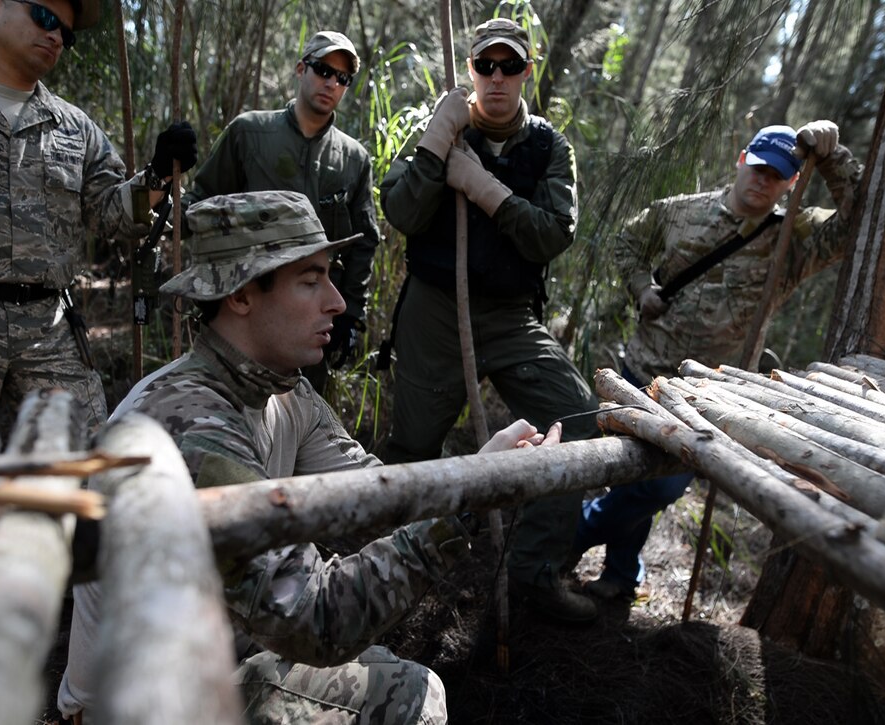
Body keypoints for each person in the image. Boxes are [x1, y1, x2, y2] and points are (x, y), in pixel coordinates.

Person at [59, 190, 562, 724]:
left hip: (221, 664)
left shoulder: (282, 392)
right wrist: (468, 502)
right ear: (241, 296)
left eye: (330, 275)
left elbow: (382, 491)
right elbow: (316, 620)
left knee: (404, 686)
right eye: (310, 280)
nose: (337, 301)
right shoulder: (185, 426)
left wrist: (484, 470)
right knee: (411, 701)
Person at [572, 122, 864, 610]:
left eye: (778, 175)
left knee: (659, 485)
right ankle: (621, 574)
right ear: (741, 157)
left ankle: (570, 534)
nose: (764, 180)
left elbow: (857, 220)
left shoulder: (794, 236)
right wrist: (641, 288)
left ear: (792, 182)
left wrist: (834, 157)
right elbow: (627, 242)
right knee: (636, 478)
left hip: (708, 399)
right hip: (642, 373)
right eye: (758, 167)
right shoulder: (679, 211)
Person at [0, 0, 197, 449]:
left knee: (84, 465)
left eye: (67, 33)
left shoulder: (75, 128)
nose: (56, 36)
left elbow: (113, 214)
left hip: (48, 330)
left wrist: (155, 175)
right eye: (46, 18)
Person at [378, 18, 599, 624]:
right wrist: (435, 143)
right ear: (472, 69)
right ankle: (384, 573)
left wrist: (482, 186)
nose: (496, 78)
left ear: (527, 72)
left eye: (510, 66)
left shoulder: (550, 146)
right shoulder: (444, 124)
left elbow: (552, 235)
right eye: (485, 66)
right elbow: (399, 208)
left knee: (575, 417)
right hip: (435, 310)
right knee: (413, 445)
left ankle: (533, 574)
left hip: (508, 315)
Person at [185, 30, 380, 392]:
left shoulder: (354, 159)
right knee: (227, 411)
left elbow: (364, 242)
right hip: (245, 317)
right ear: (300, 69)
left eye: (342, 78)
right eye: (323, 70)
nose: (331, 83)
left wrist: (351, 316)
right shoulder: (250, 133)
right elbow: (199, 209)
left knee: (302, 423)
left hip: (312, 323)